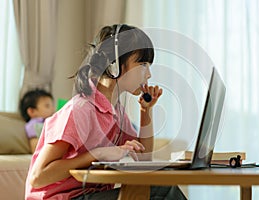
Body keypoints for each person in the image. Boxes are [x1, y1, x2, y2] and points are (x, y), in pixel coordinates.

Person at [25, 24, 187, 200]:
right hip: (63, 198)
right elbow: (38, 177)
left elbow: (143, 158)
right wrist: (97, 154)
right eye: (143, 64)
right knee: (162, 191)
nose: (148, 74)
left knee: (151, 189)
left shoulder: (116, 111)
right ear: (115, 65)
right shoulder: (80, 109)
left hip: (91, 195)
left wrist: (145, 111)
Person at [19, 89, 55, 153]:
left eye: (52, 105)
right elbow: (34, 145)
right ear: (32, 111)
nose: (53, 109)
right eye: (47, 106)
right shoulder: (33, 124)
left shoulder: (50, 120)